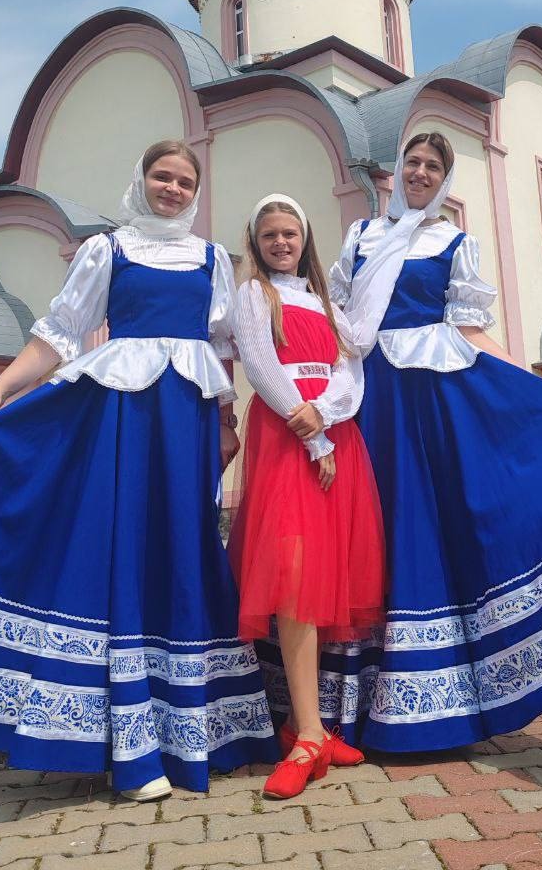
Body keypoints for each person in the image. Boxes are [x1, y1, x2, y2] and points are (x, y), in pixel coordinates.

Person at [0, 141, 277, 799]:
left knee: (181, 553)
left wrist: (227, 423)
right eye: (162, 176)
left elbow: (220, 348)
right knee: (120, 553)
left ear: (196, 191)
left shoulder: (210, 261)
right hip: (122, 422)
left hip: (186, 424)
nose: (172, 188)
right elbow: (56, 335)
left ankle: (189, 735)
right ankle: (127, 748)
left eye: (183, 180)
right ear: (142, 180)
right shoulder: (108, 251)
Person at [320, 132, 542, 752]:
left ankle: (444, 702)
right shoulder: (361, 237)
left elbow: (468, 328)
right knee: (368, 529)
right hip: (367, 397)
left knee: (431, 524)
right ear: (396, 171)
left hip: (430, 400)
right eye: (412, 163)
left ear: (443, 180)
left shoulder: (452, 242)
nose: (419, 172)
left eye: (431, 166)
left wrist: (533, 384)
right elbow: (335, 315)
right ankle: (347, 705)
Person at [228, 194, 385, 799]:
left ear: (305, 239)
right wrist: (313, 435)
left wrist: (329, 415)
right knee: (294, 576)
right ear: (256, 241)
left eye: (290, 233)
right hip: (289, 438)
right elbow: (262, 367)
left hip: (336, 433)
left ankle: (304, 724)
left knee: (322, 574)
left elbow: (350, 368)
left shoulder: (324, 301)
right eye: (270, 234)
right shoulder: (253, 294)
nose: (281, 243)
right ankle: (311, 737)